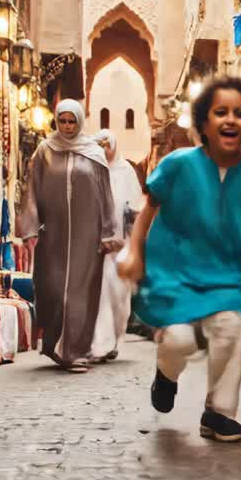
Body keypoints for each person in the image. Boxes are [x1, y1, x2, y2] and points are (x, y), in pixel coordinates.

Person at [119, 76, 241, 443]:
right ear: (204, 123)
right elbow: (149, 209)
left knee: (235, 331)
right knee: (179, 341)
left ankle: (218, 413)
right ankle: (166, 374)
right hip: (174, 276)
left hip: (223, 280)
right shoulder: (178, 164)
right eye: (220, 112)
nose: (230, 120)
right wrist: (134, 250)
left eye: (239, 114)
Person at [17, 100, 117, 373]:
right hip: (54, 235)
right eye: (62, 121)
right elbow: (32, 191)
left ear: (80, 122)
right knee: (51, 288)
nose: (67, 126)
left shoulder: (94, 153)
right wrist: (29, 227)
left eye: (72, 121)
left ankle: (76, 351)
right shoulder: (45, 151)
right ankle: (54, 345)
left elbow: (106, 197)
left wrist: (109, 232)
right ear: (56, 122)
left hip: (89, 234)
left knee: (81, 292)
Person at [90, 129, 144, 362]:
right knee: (99, 294)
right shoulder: (90, 170)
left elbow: (134, 211)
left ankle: (115, 339)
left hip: (121, 244)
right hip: (96, 245)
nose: (104, 150)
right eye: (99, 145)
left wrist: (127, 240)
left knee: (118, 296)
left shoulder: (126, 172)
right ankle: (99, 344)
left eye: (107, 145)